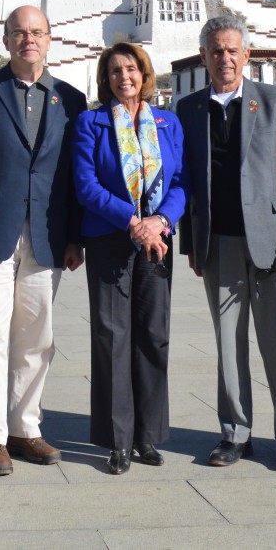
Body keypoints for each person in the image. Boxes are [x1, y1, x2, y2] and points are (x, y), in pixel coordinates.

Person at [0, 5, 87, 477]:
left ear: (50, 40)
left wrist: (74, 238)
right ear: (6, 41)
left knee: (37, 339)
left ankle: (25, 428)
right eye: (19, 32)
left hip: (47, 237)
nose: (29, 39)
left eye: (37, 32)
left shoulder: (71, 98)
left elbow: (72, 175)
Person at [177, 16, 276, 472]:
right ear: (204, 57)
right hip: (219, 244)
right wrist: (190, 245)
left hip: (273, 243)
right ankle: (235, 433)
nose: (225, 58)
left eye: (233, 49)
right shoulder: (189, 109)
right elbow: (187, 183)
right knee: (228, 345)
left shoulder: (275, 103)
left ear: (247, 54)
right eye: (216, 50)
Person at [71, 42, 188, 474]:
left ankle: (148, 436)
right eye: (116, 70)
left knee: (153, 335)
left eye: (132, 69)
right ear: (107, 77)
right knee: (112, 336)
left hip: (156, 239)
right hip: (109, 238)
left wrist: (159, 221)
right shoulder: (91, 122)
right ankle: (117, 440)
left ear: (144, 73)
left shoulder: (167, 122)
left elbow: (181, 181)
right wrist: (132, 221)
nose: (125, 77)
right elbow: (85, 185)